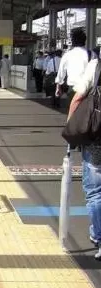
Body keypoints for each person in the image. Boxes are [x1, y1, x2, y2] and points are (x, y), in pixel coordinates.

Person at [66, 55, 101, 260]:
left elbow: (78, 98)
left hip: (97, 138)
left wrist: (71, 128)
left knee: (96, 192)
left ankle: (99, 236)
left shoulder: (96, 65)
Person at [56, 28, 94, 110]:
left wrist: (58, 87)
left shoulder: (67, 55)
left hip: (72, 90)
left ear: (73, 41)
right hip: (88, 90)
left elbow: (61, 72)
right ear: (84, 40)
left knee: (72, 113)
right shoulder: (91, 54)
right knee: (86, 114)